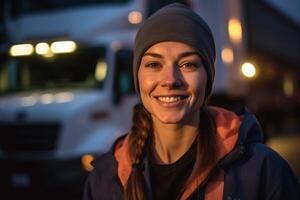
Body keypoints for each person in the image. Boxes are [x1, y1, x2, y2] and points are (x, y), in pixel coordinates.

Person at [83, 3, 300, 200]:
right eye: (153, 65)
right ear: (137, 76)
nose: (170, 80)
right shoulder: (105, 180)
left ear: (208, 77)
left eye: (188, 64)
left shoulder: (263, 171)